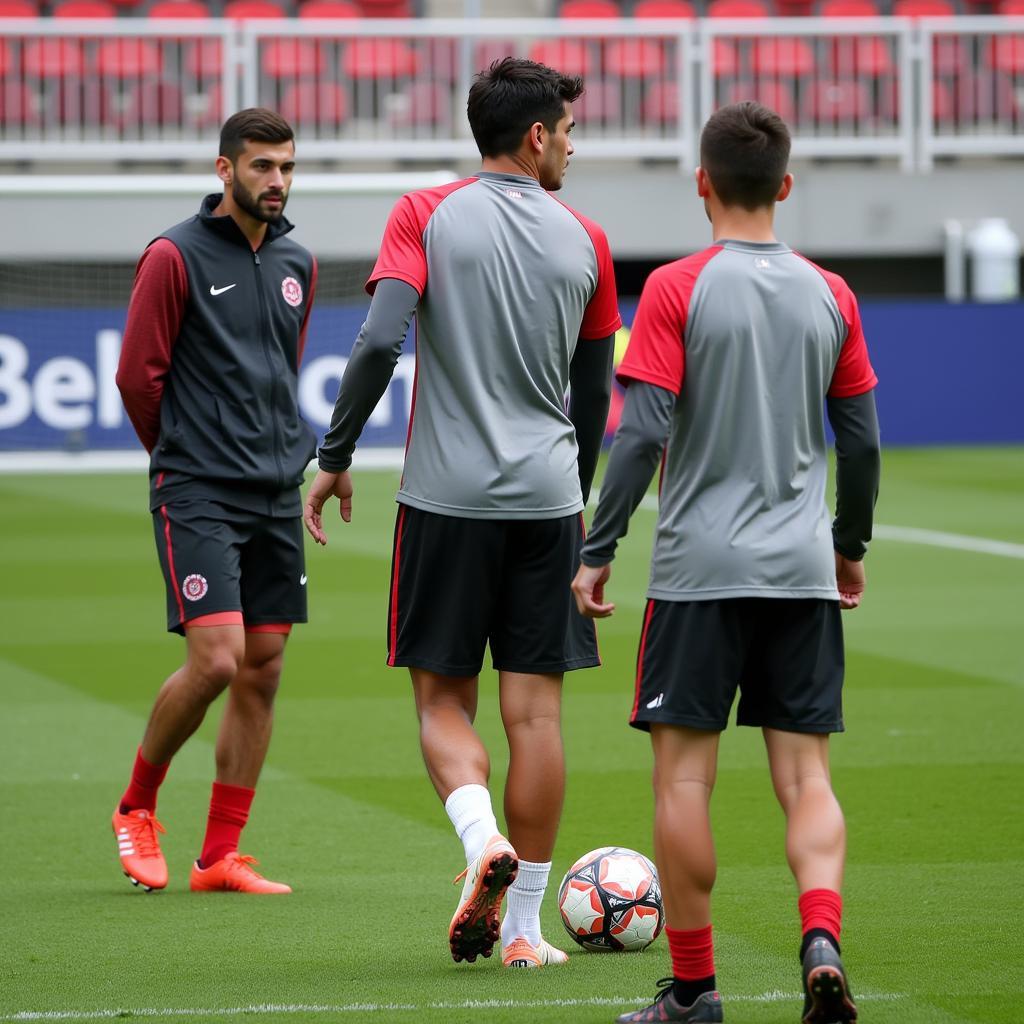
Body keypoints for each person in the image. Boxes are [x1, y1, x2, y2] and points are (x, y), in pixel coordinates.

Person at [304, 58, 620, 968]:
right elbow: (595, 393)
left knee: (443, 701)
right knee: (539, 720)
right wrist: (579, 495)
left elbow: (377, 341)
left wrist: (334, 455)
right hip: (550, 503)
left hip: (445, 500)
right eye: (567, 130)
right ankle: (523, 931)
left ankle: (482, 838)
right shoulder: (589, 239)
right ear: (535, 136)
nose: (572, 145)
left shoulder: (423, 214)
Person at [572, 101, 880, 1024]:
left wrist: (596, 548)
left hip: (699, 575)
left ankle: (696, 993)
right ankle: (820, 937)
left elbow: (641, 434)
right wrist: (848, 548)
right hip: (800, 572)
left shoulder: (675, 287)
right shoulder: (834, 293)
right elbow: (860, 441)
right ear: (784, 186)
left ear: (700, 182)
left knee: (682, 782)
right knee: (807, 780)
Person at [112, 108, 317, 895]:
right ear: (224, 169)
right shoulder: (173, 256)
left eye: (288, 167)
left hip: (274, 490)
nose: (277, 181)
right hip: (197, 487)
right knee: (218, 659)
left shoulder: (299, 258)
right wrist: (185, 458)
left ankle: (218, 857)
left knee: (262, 668)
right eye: (262, 166)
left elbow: (281, 372)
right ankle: (135, 806)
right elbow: (139, 377)